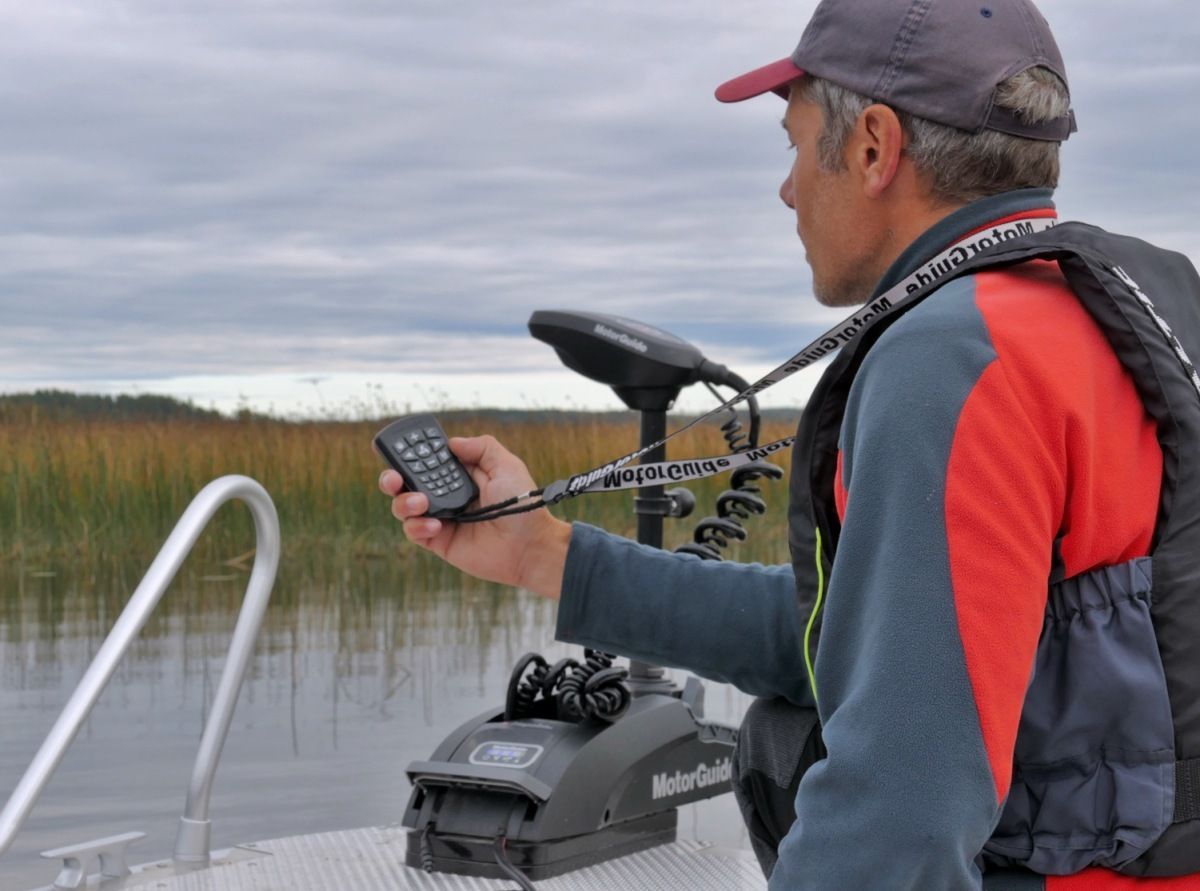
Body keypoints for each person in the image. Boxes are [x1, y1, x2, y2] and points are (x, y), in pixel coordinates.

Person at [382, 0, 1200, 887]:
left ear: (874, 148)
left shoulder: (951, 359)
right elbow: (869, 636)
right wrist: (548, 554)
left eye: (795, 145)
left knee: (786, 743)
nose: (787, 188)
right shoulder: (1123, 312)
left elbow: (897, 824)